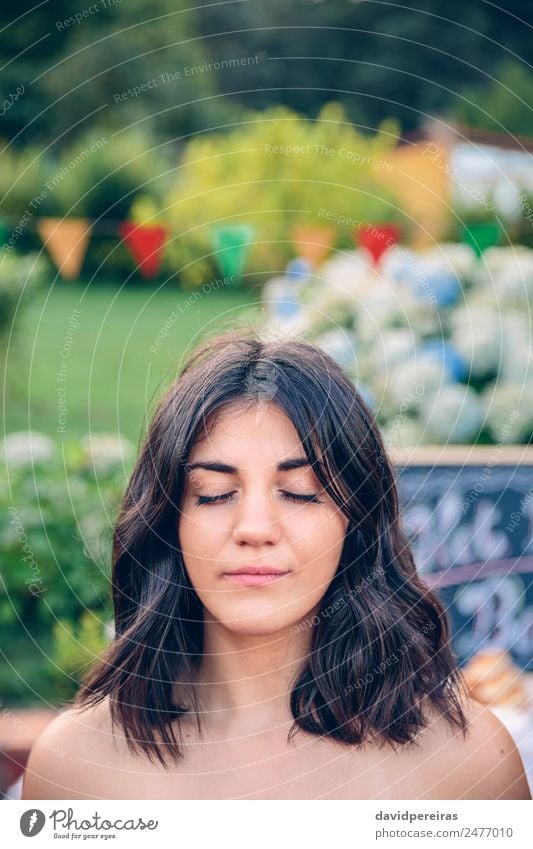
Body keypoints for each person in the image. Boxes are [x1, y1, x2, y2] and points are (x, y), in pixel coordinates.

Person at [22, 330, 531, 800]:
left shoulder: (468, 763)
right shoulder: (75, 767)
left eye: (299, 493)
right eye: (216, 494)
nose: (255, 527)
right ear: (168, 521)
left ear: (356, 522)